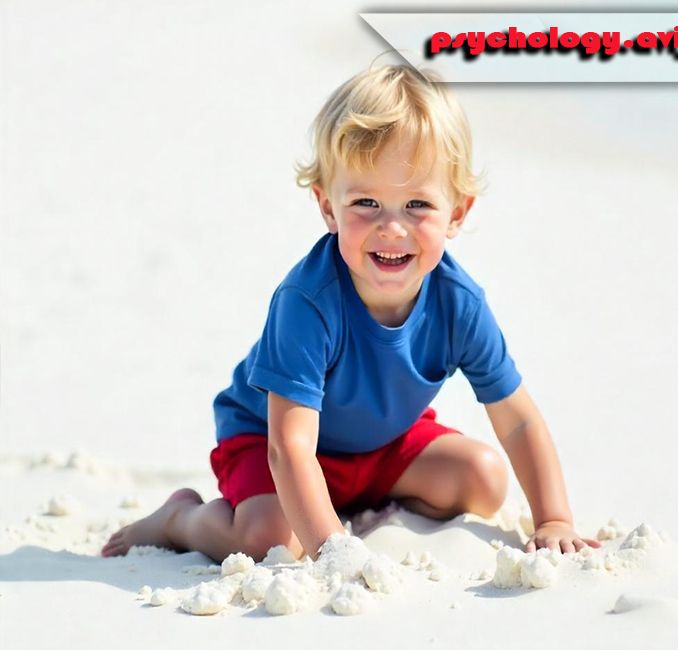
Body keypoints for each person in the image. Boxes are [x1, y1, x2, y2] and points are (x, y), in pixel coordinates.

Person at [102, 62, 600, 563]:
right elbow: (289, 447)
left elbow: (518, 421)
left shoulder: (459, 305)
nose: (392, 227)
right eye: (366, 202)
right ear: (328, 207)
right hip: (271, 439)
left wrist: (554, 518)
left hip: (383, 446)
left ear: (457, 213)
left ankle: (343, 501)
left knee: (484, 479)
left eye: (417, 205)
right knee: (268, 539)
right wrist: (330, 551)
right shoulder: (308, 302)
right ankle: (180, 519)